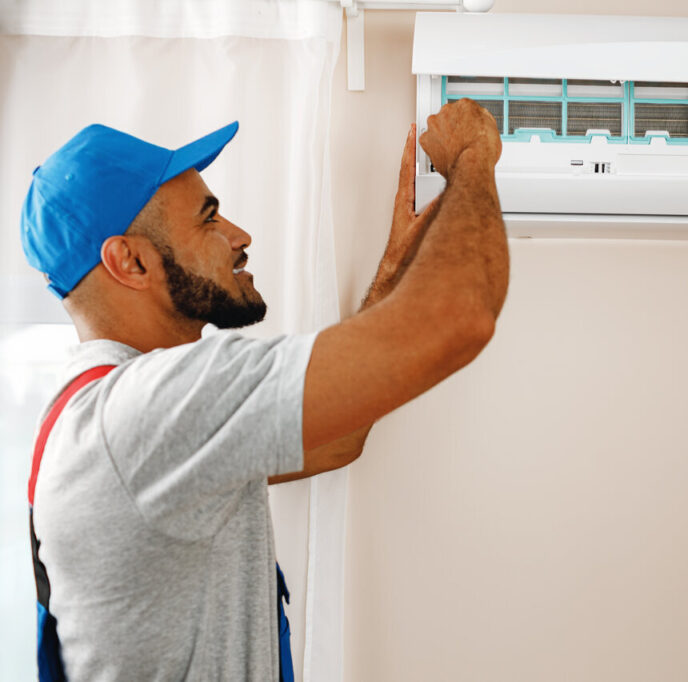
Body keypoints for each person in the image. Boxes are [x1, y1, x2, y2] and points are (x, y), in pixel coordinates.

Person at [20, 98, 508, 680]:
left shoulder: (110, 419)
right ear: (130, 261)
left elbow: (337, 438)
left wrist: (397, 265)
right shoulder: (149, 409)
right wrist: (473, 154)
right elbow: (459, 317)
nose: (239, 234)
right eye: (208, 219)